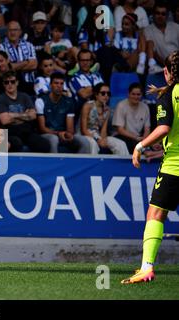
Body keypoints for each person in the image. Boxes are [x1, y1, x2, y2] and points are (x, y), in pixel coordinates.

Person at [121, 50, 179, 284]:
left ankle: (146, 268)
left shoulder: (169, 95)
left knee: (155, 214)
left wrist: (140, 146)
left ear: (167, 72)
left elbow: (163, 128)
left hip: (174, 166)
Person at [0, 70, 50, 153]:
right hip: (10, 132)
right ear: (3, 84)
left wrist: (13, 115)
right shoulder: (1, 99)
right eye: (6, 82)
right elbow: (5, 120)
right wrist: (25, 115)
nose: (9, 84)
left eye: (12, 82)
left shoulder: (24, 96)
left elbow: (33, 116)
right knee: (16, 144)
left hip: (26, 131)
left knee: (44, 145)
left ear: (17, 83)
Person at [35, 72, 90, 154]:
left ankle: (80, 166)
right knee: (54, 139)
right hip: (47, 135)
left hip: (63, 135)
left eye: (61, 83)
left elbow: (70, 128)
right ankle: (54, 165)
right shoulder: (41, 101)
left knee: (84, 141)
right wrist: (58, 133)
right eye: (56, 83)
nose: (59, 86)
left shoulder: (68, 101)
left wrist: (68, 135)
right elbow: (42, 128)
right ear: (50, 85)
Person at [80, 83, 129, 155]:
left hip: (98, 136)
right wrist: (97, 140)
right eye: (103, 93)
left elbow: (103, 130)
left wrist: (103, 140)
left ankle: (123, 166)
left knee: (120, 144)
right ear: (96, 95)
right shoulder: (88, 106)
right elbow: (84, 130)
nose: (106, 96)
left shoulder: (107, 110)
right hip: (87, 135)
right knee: (93, 144)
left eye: (108, 93)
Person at [112, 82, 151, 153]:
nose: (136, 97)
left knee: (154, 144)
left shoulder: (145, 107)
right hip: (122, 136)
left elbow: (147, 128)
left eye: (138, 94)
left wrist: (145, 140)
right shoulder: (121, 106)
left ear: (142, 95)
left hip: (138, 137)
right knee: (135, 145)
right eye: (133, 94)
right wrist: (136, 138)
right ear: (128, 94)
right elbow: (120, 130)